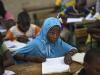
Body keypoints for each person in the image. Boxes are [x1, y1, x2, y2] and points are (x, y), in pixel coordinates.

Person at [13, 17, 77, 64]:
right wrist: (33, 58)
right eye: (52, 33)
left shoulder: (58, 42)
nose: (55, 36)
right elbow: (15, 55)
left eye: (58, 33)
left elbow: (73, 49)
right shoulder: (36, 44)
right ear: (45, 31)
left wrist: (68, 54)